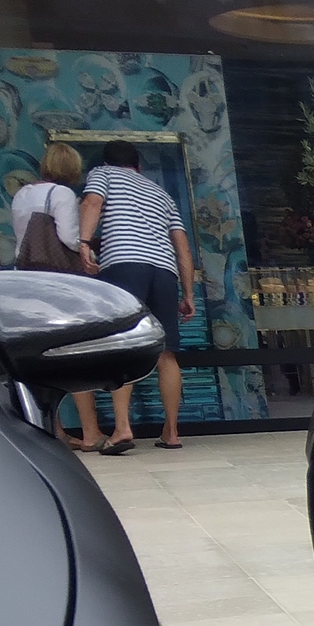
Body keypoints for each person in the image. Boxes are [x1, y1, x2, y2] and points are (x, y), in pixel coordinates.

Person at [79, 141, 194, 454]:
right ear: (138, 166)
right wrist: (188, 292)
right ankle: (171, 432)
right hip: (165, 272)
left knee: (123, 345)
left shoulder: (103, 174)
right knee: (167, 354)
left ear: (107, 162)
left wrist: (84, 243)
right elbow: (182, 246)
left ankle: (122, 428)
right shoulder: (161, 194)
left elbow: (92, 204)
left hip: (126, 264)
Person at [12, 142, 106, 451]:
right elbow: (67, 238)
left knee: (44, 354)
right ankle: (91, 433)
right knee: (75, 352)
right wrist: (89, 246)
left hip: (26, 279)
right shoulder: (62, 194)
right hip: (58, 282)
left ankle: (56, 431)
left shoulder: (22, 194)